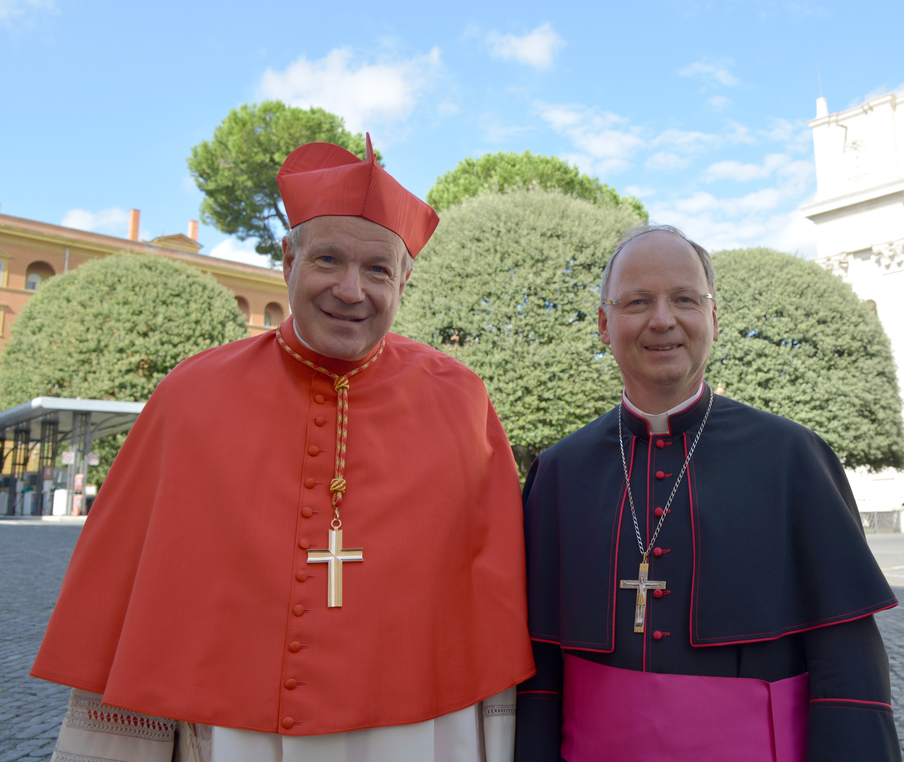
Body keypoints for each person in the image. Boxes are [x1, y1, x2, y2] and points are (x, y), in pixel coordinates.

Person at [32, 136, 535, 762]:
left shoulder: (461, 400)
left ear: (405, 281)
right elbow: (135, 597)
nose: (352, 290)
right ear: (287, 258)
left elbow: (491, 599)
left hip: (423, 732)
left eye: (378, 269)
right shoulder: (190, 395)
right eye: (328, 260)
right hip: (236, 730)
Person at [514, 225, 902, 762]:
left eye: (684, 299)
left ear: (714, 318)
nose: (662, 319)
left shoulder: (792, 457)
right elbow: (540, 669)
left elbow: (848, 665)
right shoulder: (560, 471)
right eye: (637, 301)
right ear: (604, 325)